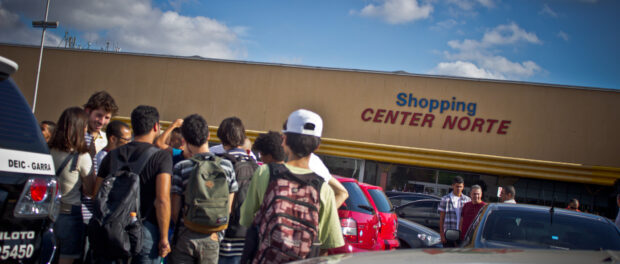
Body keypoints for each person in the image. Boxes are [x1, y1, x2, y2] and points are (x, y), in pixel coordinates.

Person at [240, 109, 344, 261]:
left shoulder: (265, 173)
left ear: (284, 140)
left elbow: (245, 218)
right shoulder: (324, 189)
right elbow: (328, 244)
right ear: (317, 146)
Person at [96, 105, 173, 263]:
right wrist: (164, 238)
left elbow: (96, 193)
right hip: (145, 229)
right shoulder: (161, 157)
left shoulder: (111, 156)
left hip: (112, 228)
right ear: (156, 127)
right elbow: (162, 200)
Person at [169, 114, 237, 264]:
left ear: (184, 140)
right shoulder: (226, 166)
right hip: (212, 237)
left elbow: (174, 211)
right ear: (208, 136)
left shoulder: (182, 167)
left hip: (186, 236)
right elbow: (228, 208)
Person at [49, 107, 95, 264]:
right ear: (81, 128)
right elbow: (90, 190)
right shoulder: (82, 156)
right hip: (69, 213)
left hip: (47, 213)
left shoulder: (47, 150)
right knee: (66, 259)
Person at [216, 117, 257, 264]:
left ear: (222, 137)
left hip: (225, 238)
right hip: (249, 238)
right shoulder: (255, 165)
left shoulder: (220, 163)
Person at [438, 176, 470, 247]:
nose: (459, 188)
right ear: (452, 186)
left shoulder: (467, 200)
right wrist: (442, 234)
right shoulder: (445, 199)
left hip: (462, 235)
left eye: (460, 186)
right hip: (449, 234)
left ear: (463, 186)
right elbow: (441, 219)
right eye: (457, 186)